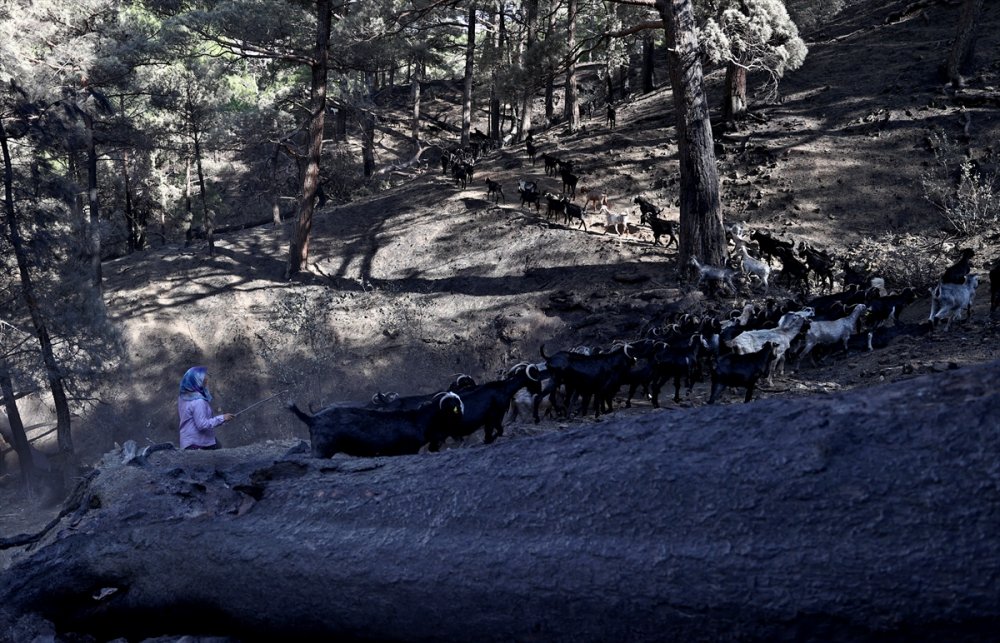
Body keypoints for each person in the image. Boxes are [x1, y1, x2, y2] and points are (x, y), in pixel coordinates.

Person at [177, 366, 233, 450]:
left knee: (218, 446)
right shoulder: (198, 401)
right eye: (203, 379)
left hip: (187, 441)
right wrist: (223, 418)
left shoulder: (183, 397)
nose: (207, 381)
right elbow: (202, 425)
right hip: (198, 444)